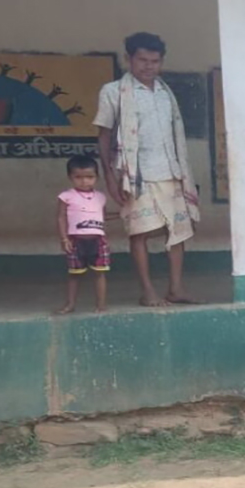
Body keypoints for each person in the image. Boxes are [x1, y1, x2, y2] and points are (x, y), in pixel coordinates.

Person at [95, 31, 201, 307]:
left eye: (155, 61)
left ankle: (176, 288)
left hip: (171, 172)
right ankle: (148, 291)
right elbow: (104, 136)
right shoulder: (113, 92)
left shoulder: (166, 93)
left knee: (178, 231)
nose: (148, 66)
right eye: (142, 60)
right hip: (136, 175)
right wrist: (110, 177)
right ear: (128, 59)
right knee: (139, 232)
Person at [56, 155, 110, 315]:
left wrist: (123, 214)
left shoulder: (101, 197)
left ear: (97, 177)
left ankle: (101, 305)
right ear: (70, 177)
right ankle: (70, 304)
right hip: (76, 240)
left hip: (98, 240)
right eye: (78, 177)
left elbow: (103, 217)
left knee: (100, 273)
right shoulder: (66, 196)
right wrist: (64, 238)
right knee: (74, 275)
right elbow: (61, 217)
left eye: (89, 177)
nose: (84, 181)